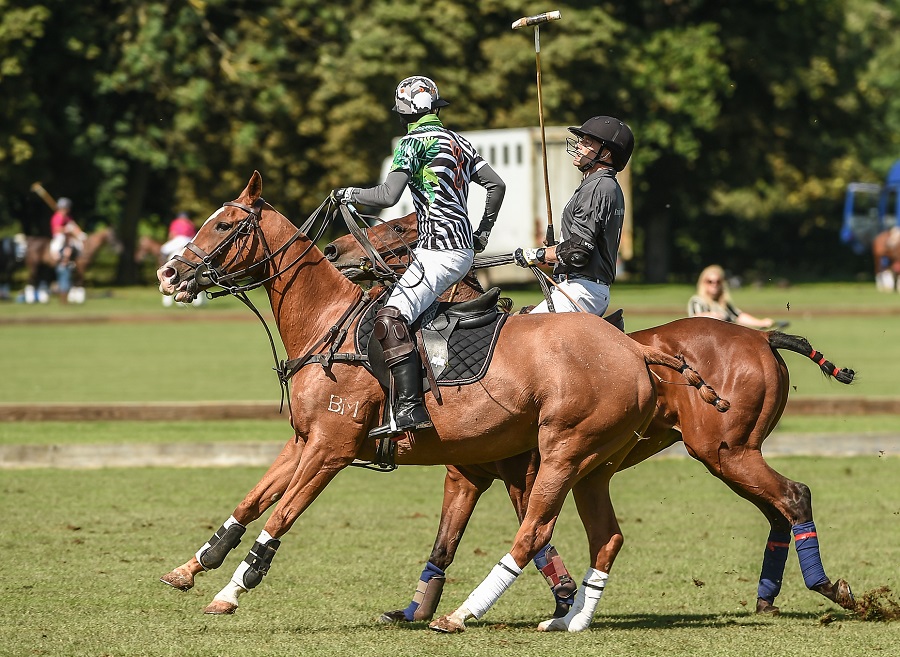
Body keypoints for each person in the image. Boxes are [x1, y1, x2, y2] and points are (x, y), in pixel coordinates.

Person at [332, 75, 506, 434]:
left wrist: (347, 192)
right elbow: (496, 185)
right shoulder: (460, 142)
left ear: (405, 112)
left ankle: (410, 409)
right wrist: (482, 232)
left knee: (389, 318)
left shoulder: (412, 143)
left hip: (437, 253)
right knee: (415, 316)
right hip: (460, 251)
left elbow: (386, 196)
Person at [513, 116, 634, 317]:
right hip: (582, 289)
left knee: (517, 338)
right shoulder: (604, 185)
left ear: (606, 154)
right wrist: (557, 249)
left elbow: (578, 251)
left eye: (587, 143)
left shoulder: (597, 187)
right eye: (581, 141)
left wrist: (537, 255)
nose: (579, 146)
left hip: (580, 290)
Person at [687, 264, 774, 328]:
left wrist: (761, 322)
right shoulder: (697, 301)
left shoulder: (723, 303)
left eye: (718, 281)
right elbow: (697, 318)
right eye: (710, 281)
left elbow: (738, 316)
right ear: (703, 283)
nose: (714, 284)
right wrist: (717, 316)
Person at [160, 213, 200, 307]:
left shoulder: (176, 222)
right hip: (189, 241)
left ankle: (163, 263)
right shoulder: (190, 223)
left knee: (163, 249)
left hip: (180, 239)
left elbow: (172, 235)